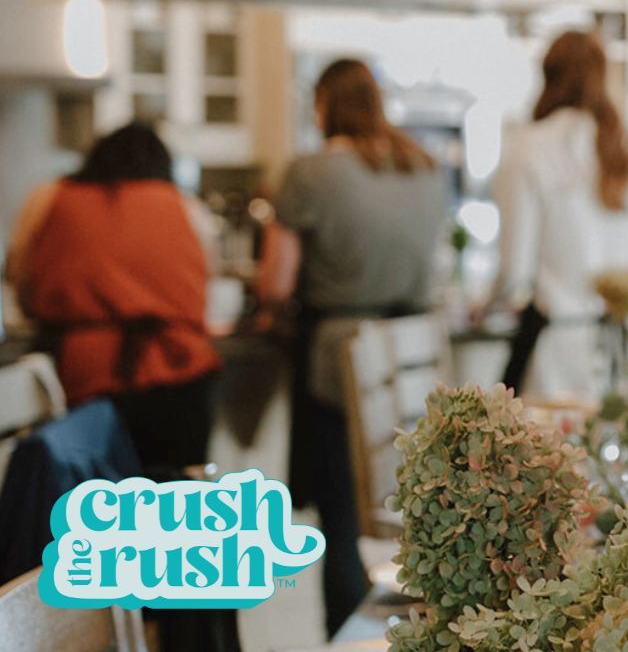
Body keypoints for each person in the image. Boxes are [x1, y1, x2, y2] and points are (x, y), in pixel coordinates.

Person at [5, 123, 236, 651]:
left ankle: (109, 630)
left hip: (88, 386)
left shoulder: (51, 200)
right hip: (179, 382)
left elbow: (24, 285)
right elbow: (205, 284)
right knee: (187, 532)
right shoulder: (185, 208)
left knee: (102, 530)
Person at [256, 58, 450, 637]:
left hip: (340, 361)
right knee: (416, 509)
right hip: (414, 357)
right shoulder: (424, 166)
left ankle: (348, 637)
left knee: (344, 516)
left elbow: (275, 283)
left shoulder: (311, 172)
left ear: (323, 105)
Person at [489, 30, 628, 398]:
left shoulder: (528, 148)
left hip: (559, 354)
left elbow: (515, 272)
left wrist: (489, 305)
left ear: (547, 76)